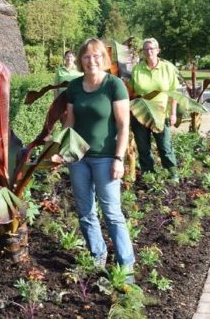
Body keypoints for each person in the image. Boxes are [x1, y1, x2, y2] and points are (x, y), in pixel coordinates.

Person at [64, 38, 135, 275]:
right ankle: (98, 253)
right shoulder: (74, 87)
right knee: (85, 211)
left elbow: (124, 124)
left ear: (103, 58)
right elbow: (70, 123)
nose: (91, 60)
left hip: (106, 158)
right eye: (86, 56)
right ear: (80, 60)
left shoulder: (114, 85)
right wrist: (63, 152)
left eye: (96, 56)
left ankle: (126, 263)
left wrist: (119, 158)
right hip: (79, 159)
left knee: (112, 212)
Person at [129, 38, 179, 181]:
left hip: (161, 114)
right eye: (146, 49)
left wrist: (174, 113)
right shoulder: (137, 69)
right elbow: (131, 91)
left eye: (152, 48)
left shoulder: (167, 68)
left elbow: (174, 93)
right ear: (143, 52)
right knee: (143, 148)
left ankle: (172, 174)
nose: (149, 51)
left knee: (165, 147)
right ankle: (148, 175)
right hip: (140, 114)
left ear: (158, 50)